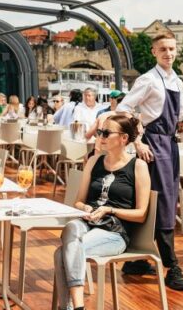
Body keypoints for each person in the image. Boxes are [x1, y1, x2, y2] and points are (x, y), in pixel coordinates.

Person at [53, 114, 151, 310]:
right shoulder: (94, 161)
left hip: (114, 232)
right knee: (71, 227)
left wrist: (110, 209)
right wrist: (86, 207)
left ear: (124, 138)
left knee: (61, 253)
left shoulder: (138, 166)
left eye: (106, 133)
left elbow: (141, 214)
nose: (101, 137)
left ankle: (72, 308)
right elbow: (78, 202)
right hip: (88, 222)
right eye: (100, 132)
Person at [116, 32, 183, 290]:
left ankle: (135, 258)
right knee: (162, 204)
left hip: (170, 145)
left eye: (171, 48)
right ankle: (171, 265)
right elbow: (123, 109)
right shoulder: (148, 79)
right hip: (153, 146)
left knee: (156, 201)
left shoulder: (178, 82)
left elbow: (176, 116)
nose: (168, 53)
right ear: (154, 52)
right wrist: (137, 141)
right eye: (163, 49)